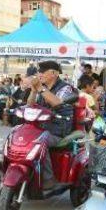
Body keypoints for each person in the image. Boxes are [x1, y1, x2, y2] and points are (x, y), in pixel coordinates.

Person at [27, 60, 77, 189]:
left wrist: (40, 88)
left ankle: (49, 179)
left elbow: (57, 103)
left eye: (43, 72)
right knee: (18, 134)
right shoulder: (42, 88)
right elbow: (30, 106)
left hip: (58, 129)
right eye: (39, 72)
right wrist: (33, 91)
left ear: (54, 73)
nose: (40, 74)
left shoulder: (65, 88)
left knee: (40, 140)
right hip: (41, 127)